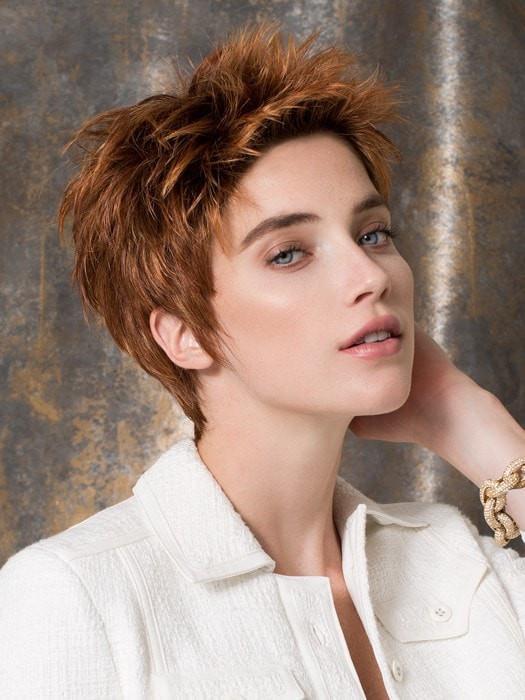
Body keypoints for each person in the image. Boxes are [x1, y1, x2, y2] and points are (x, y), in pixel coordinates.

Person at [1, 19, 524, 699]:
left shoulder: (458, 563)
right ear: (184, 334)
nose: (370, 275)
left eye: (372, 233)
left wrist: (473, 425)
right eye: (288, 253)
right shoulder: (77, 596)